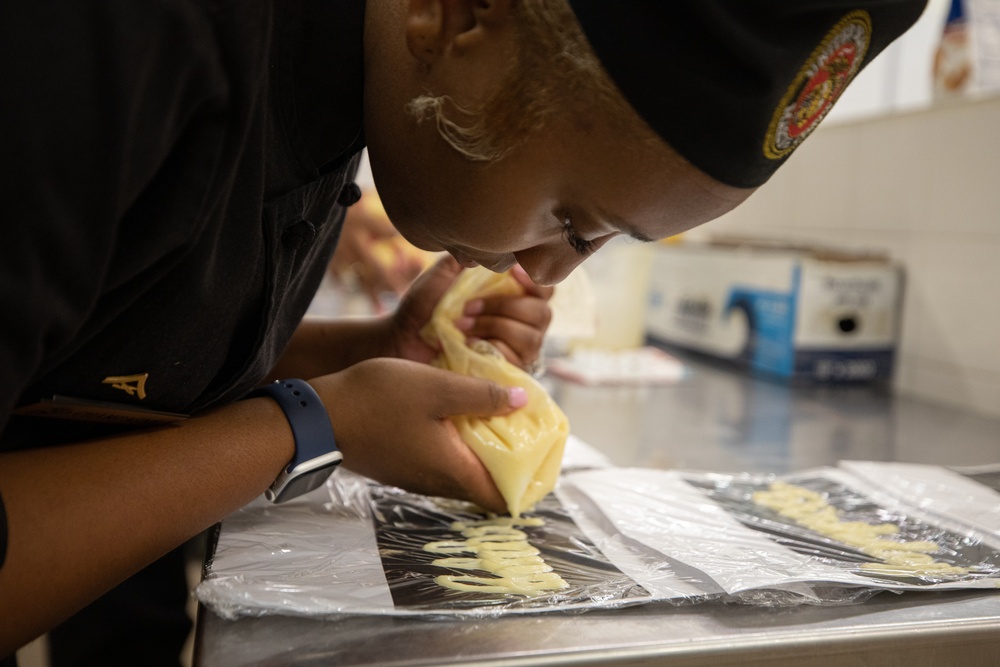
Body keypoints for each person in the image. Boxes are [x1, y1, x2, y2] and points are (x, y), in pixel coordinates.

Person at [0, 0, 927, 662]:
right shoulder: (101, 40)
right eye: (574, 219)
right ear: (457, 18)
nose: (548, 271)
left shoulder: (349, 83)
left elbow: (103, 344)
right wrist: (308, 428)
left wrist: (367, 356)